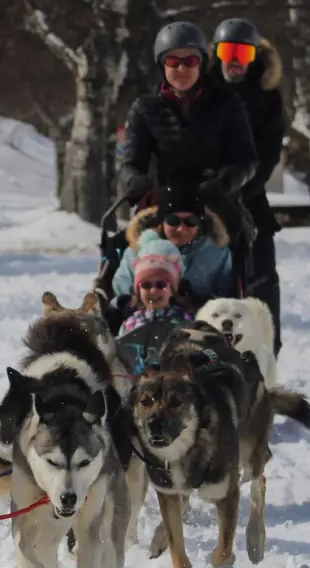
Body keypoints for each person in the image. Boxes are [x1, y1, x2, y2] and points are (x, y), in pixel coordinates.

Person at [116, 22, 258, 253]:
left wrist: (224, 182)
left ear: (201, 64)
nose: (181, 69)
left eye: (190, 61)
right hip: (161, 201)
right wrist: (135, 180)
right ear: (162, 65)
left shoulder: (227, 103)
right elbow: (131, 160)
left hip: (213, 199)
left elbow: (245, 159)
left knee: (236, 243)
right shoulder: (144, 107)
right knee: (123, 250)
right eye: (173, 61)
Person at [212, 18, 287, 355]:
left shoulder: (267, 99)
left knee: (261, 280)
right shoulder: (204, 91)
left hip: (250, 198)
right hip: (207, 200)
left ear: (255, 55)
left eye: (243, 52)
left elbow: (268, 155)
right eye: (228, 51)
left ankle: (267, 348)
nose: (235, 60)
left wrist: (238, 191)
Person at [111, 202, 236, 307]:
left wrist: (198, 301)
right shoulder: (137, 251)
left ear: (199, 223)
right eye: (173, 221)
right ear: (162, 221)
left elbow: (226, 297)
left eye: (190, 221)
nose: (181, 229)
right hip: (142, 322)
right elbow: (121, 293)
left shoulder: (216, 253)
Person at [119, 240, 193, 335]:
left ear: (171, 291)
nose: (153, 291)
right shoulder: (130, 324)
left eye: (160, 285)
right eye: (146, 285)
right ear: (139, 291)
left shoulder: (185, 321)